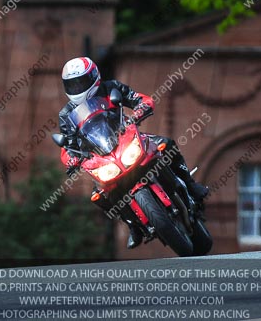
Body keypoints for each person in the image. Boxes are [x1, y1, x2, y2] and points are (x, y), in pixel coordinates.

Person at [56, 56, 209, 249]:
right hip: (99, 157)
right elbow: (66, 145)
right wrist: (71, 160)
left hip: (127, 139)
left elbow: (140, 99)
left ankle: (190, 184)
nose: (78, 87)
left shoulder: (110, 88)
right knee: (99, 196)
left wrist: (140, 110)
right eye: (73, 84)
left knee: (166, 145)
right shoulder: (66, 114)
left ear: (94, 76)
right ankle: (132, 224)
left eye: (81, 82)